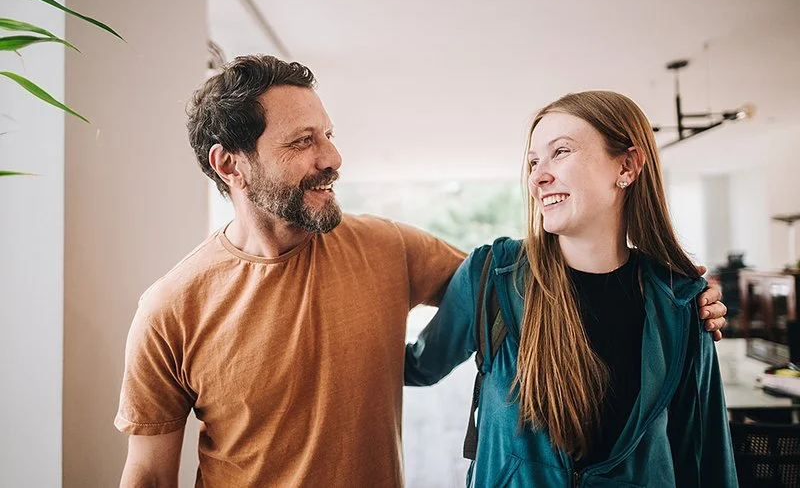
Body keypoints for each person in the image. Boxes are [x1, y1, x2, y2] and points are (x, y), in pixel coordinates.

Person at [115, 56, 728, 487]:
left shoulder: (388, 247)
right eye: (303, 141)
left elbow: (521, 294)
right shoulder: (171, 307)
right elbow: (147, 476)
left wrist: (688, 298)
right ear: (231, 165)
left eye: (328, 134)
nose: (332, 157)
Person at [405, 91, 737, 487]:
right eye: (532, 161)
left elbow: (703, 452)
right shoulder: (493, 273)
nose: (538, 176)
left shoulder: (681, 301)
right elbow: (417, 366)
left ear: (627, 167)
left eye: (560, 152)